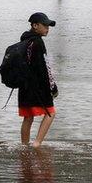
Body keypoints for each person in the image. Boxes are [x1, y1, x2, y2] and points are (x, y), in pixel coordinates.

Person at [18, 13, 58, 147]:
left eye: (48, 26)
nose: (47, 28)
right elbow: (44, 68)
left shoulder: (24, 40)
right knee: (51, 113)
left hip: (24, 87)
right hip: (38, 88)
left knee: (28, 117)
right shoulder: (38, 42)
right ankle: (36, 144)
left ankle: (24, 146)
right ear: (35, 26)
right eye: (45, 25)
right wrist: (52, 88)